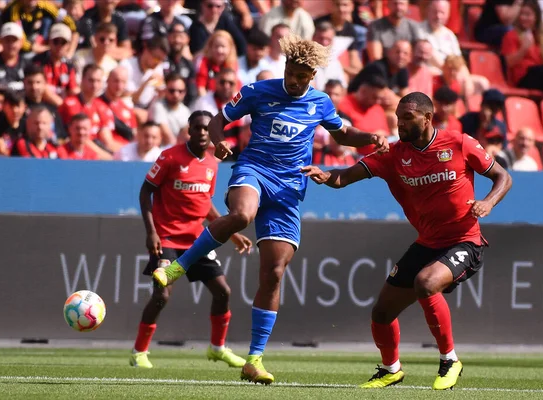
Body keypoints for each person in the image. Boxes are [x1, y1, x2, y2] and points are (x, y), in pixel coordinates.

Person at [152, 33, 389, 384]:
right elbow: (219, 120)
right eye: (291, 72)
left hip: (290, 187)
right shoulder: (257, 91)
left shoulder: (320, 103)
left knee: (274, 272)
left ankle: (254, 359)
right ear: (285, 67)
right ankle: (179, 266)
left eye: (302, 76)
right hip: (254, 169)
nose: (294, 81)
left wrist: (371, 137)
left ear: (312, 77)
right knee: (243, 215)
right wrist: (219, 143)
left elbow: (342, 135)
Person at [301, 92, 512, 390]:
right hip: (427, 243)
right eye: (398, 117)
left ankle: (450, 360)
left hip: (464, 241)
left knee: (426, 283)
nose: (399, 123)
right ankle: (391, 370)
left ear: (427, 118)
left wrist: (489, 203)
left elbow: (503, 177)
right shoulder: (392, 154)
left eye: (407, 118)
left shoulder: (459, 143)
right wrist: (325, 175)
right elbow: (344, 178)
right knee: (382, 313)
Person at [130, 110, 252, 369]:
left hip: (197, 240)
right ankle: (139, 351)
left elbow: (205, 204)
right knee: (162, 294)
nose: (203, 133)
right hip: (167, 238)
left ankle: (217, 349)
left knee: (223, 291)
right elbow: (145, 191)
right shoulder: (170, 157)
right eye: (197, 128)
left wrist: (230, 231)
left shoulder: (211, 163)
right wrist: (151, 232)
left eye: (207, 128)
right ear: (189, 130)